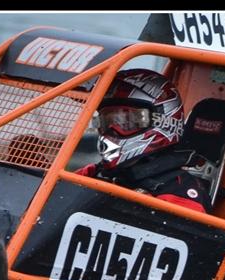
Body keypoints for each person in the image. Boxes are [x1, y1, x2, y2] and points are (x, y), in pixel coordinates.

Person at [75, 68, 212, 213]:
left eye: (126, 121)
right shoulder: (96, 172)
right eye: (107, 120)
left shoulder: (180, 193)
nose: (112, 129)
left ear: (163, 120)